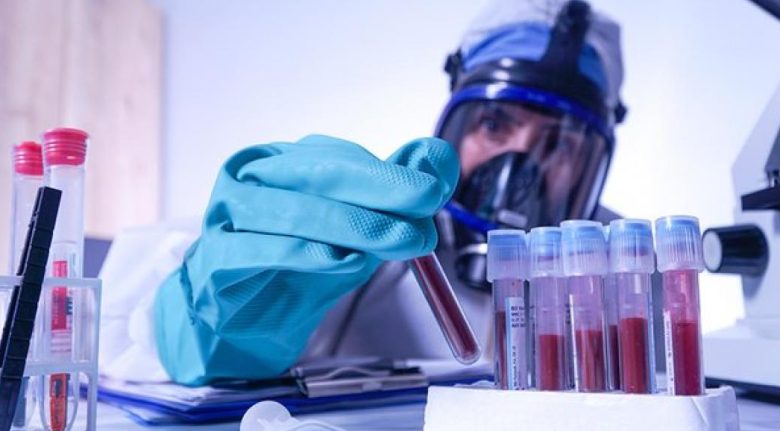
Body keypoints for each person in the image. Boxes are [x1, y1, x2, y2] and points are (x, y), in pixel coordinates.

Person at [99, 0, 626, 386]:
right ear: (456, 124)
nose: (518, 165)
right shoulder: (374, 229)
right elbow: (116, 330)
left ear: (590, 163)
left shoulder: (624, 269)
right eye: (494, 124)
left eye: (558, 143)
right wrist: (206, 308)